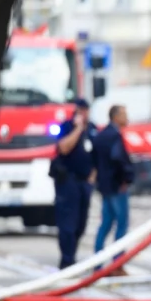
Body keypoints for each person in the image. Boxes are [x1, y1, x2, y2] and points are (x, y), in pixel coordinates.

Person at [50, 98, 97, 269]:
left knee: (81, 223)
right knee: (67, 224)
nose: (84, 114)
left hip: (84, 182)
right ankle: (66, 260)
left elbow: (96, 154)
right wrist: (77, 129)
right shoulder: (67, 127)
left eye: (86, 110)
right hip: (67, 181)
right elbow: (63, 148)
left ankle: (73, 254)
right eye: (80, 110)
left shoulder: (92, 129)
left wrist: (93, 175)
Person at [92, 104, 137, 264]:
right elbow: (118, 159)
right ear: (115, 117)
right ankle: (117, 263)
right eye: (124, 114)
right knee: (121, 224)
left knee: (105, 223)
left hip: (105, 186)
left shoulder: (100, 136)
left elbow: (95, 160)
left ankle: (97, 262)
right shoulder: (115, 136)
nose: (127, 117)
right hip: (118, 186)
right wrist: (126, 178)